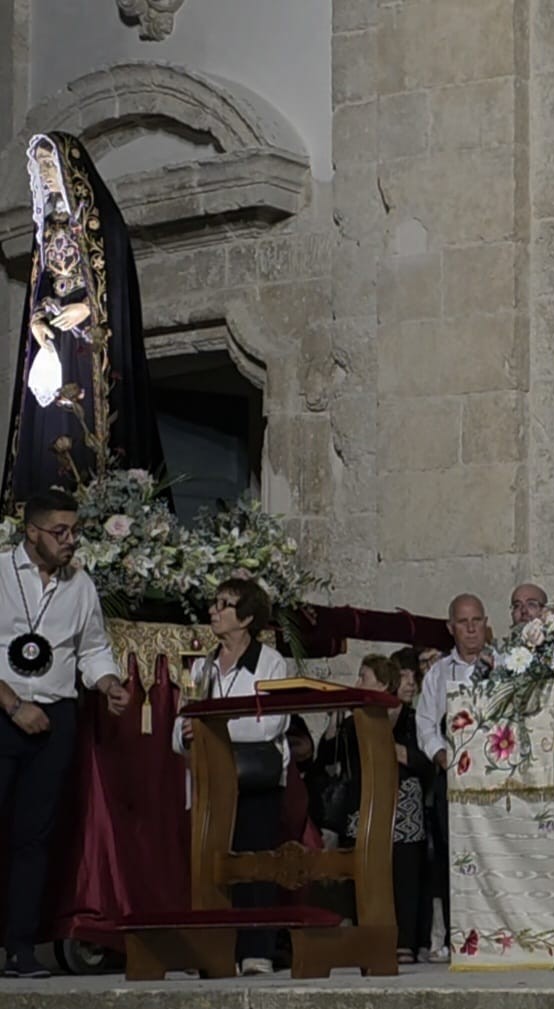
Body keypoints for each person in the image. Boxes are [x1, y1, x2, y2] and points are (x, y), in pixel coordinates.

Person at [0, 489, 130, 978]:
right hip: (5, 712)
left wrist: (109, 683)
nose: (71, 541)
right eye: (60, 532)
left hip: (55, 721)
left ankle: (20, 949)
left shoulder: (80, 586)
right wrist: (13, 705)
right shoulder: (0, 572)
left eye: (75, 531)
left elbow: (93, 648)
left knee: (35, 838)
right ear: (31, 531)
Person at [2, 132, 165, 508]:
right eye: (39, 166)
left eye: (50, 164)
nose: (44, 174)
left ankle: (92, 502)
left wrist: (89, 308)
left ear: (69, 168)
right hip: (55, 341)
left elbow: (116, 284)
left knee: (89, 416)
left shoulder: (100, 222)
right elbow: (42, 286)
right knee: (48, 418)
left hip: (89, 340)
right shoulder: (46, 227)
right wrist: (37, 320)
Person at [172, 577, 289, 977]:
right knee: (211, 868)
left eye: (225, 604)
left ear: (248, 617)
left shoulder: (270, 662)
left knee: (253, 865)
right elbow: (180, 724)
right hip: (209, 782)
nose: (214, 611)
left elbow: (269, 724)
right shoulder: (200, 666)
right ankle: (214, 948)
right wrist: (190, 732)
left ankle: (257, 950)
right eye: (215, 603)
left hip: (252, 780)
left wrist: (211, 728)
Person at [315, 655, 432, 962]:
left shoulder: (412, 718)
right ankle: (367, 936)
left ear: (382, 683)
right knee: (364, 870)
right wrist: (333, 721)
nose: (357, 683)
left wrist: (400, 753)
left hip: (403, 803)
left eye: (363, 676)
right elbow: (327, 760)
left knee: (403, 874)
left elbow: (427, 759)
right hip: (363, 802)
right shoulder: (355, 721)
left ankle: (404, 940)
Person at [416, 594, 490, 963]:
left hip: (494, 778)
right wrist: (443, 756)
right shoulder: (438, 673)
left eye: (477, 620)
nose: (472, 627)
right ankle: (456, 936)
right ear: (451, 627)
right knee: (451, 856)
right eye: (464, 622)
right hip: (455, 779)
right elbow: (426, 724)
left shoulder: (503, 664)